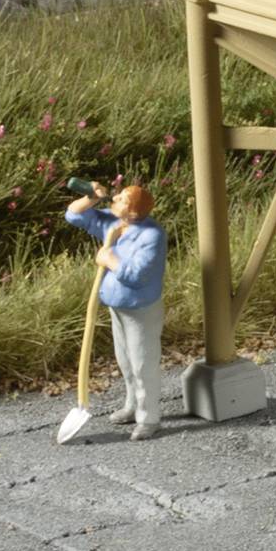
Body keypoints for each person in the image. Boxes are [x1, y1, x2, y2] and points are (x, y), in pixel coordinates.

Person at [64, 180, 168, 439]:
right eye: (118, 195)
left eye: (121, 199)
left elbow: (138, 276)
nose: (115, 198)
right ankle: (132, 406)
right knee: (125, 360)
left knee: (142, 364)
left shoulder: (151, 236)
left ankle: (149, 418)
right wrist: (91, 198)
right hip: (117, 306)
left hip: (140, 310)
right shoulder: (114, 222)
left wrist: (109, 258)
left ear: (132, 211)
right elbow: (74, 216)